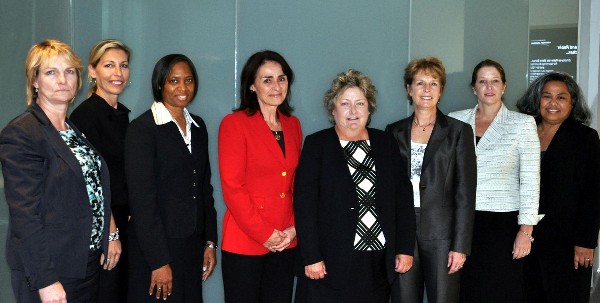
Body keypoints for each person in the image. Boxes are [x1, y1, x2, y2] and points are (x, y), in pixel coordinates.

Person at [0, 39, 116, 303]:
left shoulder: (71, 130)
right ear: (35, 81)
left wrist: (109, 235)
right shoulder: (22, 132)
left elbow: (92, 189)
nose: (63, 79)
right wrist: (46, 281)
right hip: (51, 269)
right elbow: (24, 216)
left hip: (84, 262)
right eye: (51, 72)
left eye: (70, 71)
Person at [294, 69, 416, 303]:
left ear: (369, 109)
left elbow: (403, 198)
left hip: (377, 263)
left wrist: (404, 248)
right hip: (328, 264)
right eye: (345, 103)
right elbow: (304, 205)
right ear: (333, 109)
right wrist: (311, 256)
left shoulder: (385, 143)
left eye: (360, 103)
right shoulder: (317, 145)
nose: (353, 111)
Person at [124, 54, 217, 302]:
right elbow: (142, 201)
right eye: (173, 81)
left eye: (188, 80)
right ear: (160, 84)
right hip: (157, 247)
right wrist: (159, 261)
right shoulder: (142, 130)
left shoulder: (198, 126)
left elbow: (204, 188)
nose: (182, 88)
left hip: (191, 244)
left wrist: (210, 242)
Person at [448, 59, 542, 302]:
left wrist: (526, 230)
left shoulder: (522, 124)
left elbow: (531, 180)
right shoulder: (455, 121)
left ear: (504, 87)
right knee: (464, 290)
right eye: (482, 81)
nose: (489, 87)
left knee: (499, 290)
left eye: (495, 81)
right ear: (473, 88)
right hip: (462, 222)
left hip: (502, 223)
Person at [386, 57, 477, 303]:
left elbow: (465, 193)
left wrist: (460, 246)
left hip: (443, 235)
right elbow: (388, 189)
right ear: (408, 89)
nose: (427, 90)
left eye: (433, 84)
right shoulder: (393, 132)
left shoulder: (459, 131)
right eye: (420, 83)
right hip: (403, 231)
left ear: (441, 90)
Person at [218, 50, 302, 303]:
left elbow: (297, 183)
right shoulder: (234, 124)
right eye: (267, 80)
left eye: (282, 78)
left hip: (286, 241)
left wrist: (293, 229)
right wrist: (266, 234)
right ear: (252, 86)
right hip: (246, 240)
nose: (276, 86)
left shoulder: (292, 124)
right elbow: (233, 187)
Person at [516, 71, 600, 302]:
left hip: (568, 244)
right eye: (546, 96)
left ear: (572, 103)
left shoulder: (584, 137)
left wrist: (585, 242)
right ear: (537, 100)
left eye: (561, 97)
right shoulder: (524, 131)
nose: (553, 103)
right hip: (525, 240)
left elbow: (593, 194)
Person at [70, 38, 131, 303]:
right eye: (109, 65)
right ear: (93, 71)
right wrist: (112, 232)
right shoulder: (86, 115)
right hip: (104, 228)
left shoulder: (121, 115)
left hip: (122, 223)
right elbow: (91, 182)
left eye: (124, 65)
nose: (118, 73)